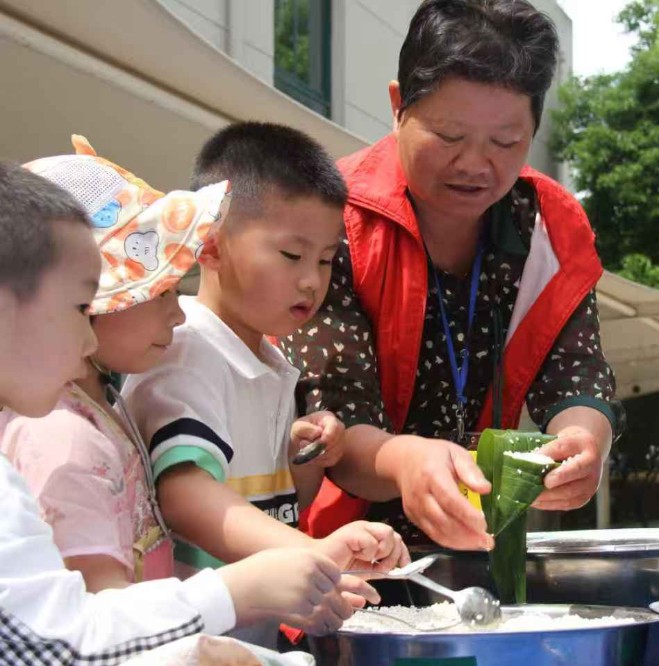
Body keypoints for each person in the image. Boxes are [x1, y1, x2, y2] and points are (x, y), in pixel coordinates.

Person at [283, 0, 623, 551]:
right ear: (398, 106)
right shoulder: (331, 219)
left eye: (506, 142)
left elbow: (577, 372)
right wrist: (406, 460)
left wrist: (585, 439)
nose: (474, 164)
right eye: (448, 135)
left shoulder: (547, 227)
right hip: (337, 552)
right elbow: (333, 418)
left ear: (534, 128)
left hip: (482, 545)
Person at [0, 159, 370, 662]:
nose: (88, 334)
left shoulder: (98, 411)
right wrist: (246, 590)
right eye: (80, 307)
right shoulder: (62, 436)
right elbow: (84, 636)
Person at [121, 123, 409, 647]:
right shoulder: (186, 348)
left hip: (245, 641)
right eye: (291, 255)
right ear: (208, 247)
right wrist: (312, 551)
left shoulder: (268, 357)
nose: (312, 280)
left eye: (326, 260)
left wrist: (307, 459)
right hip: (186, 644)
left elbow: (273, 503)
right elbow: (184, 495)